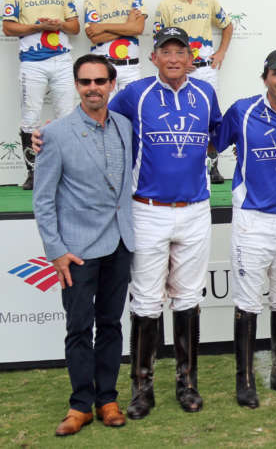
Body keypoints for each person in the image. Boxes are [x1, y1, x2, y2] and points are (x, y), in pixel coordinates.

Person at [110, 26, 222, 418]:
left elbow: (215, 135)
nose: (174, 58)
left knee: (189, 297)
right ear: (153, 57)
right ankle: (142, 388)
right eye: (166, 51)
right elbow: (99, 119)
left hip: (195, 209)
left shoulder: (206, 93)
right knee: (145, 299)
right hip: (148, 209)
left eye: (181, 51)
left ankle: (187, 382)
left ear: (191, 58)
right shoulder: (134, 94)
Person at [32, 55, 135, 436]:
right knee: (79, 328)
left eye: (100, 81)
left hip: (121, 243)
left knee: (111, 325)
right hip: (76, 251)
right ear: (76, 85)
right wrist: (56, 251)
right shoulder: (56, 133)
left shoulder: (125, 125)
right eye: (85, 81)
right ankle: (80, 405)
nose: (93, 87)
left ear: (112, 84)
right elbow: (43, 199)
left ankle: (107, 399)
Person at [213, 49, 276, 408]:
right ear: (265, 78)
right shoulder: (243, 110)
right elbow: (211, 144)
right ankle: (243, 379)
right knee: (248, 301)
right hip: (252, 219)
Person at [3, 0, 80, 190]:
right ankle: (34, 173)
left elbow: (75, 27)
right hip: (32, 62)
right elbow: (8, 27)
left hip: (62, 60)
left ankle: (67, 172)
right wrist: (38, 26)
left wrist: (59, 23)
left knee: (67, 116)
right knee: (31, 117)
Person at [154, 0, 231, 183]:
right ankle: (182, 164)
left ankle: (213, 165)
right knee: (179, 117)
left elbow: (227, 25)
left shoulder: (208, 1)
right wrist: (176, 63)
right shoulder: (166, 6)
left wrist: (221, 52)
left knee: (209, 118)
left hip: (206, 70)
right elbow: (159, 40)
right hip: (178, 72)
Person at [82, 0, 147, 94]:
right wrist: (127, 27)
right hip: (104, 68)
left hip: (131, 68)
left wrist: (103, 26)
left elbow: (138, 29)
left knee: (132, 114)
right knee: (106, 113)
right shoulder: (92, 1)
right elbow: (95, 37)